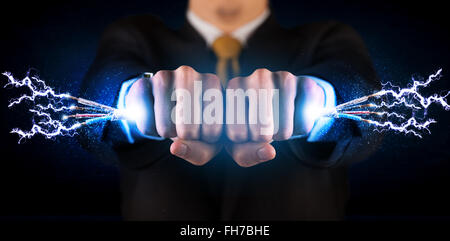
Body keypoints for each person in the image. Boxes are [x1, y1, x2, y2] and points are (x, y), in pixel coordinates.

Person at [80, 0, 383, 220]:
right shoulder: (135, 34)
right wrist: (137, 100)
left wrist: (317, 100)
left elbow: (369, 115)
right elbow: (91, 112)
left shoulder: (326, 36)